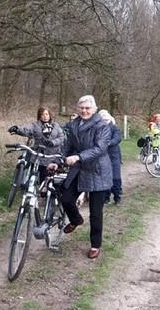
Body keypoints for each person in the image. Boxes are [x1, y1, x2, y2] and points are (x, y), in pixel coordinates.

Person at [48, 95, 112, 259]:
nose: (84, 111)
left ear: (94, 109)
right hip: (79, 170)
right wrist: (57, 161)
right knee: (66, 197)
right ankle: (76, 219)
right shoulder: (74, 124)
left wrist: (78, 157)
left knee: (95, 212)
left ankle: (95, 245)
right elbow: (67, 146)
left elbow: (100, 149)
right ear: (78, 109)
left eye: (87, 108)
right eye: (81, 108)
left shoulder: (102, 126)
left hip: (98, 171)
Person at [8, 106, 64, 183]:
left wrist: (53, 142)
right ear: (39, 116)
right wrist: (17, 129)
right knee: (35, 178)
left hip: (52, 156)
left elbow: (61, 137)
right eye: (42, 114)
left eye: (47, 114)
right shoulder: (35, 125)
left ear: (50, 115)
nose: (45, 117)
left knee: (49, 180)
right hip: (39, 155)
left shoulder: (56, 126)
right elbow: (26, 130)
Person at [99, 109, 122, 205]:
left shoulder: (114, 128)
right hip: (102, 156)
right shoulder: (98, 128)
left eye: (105, 118)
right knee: (104, 177)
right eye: (102, 118)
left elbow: (117, 138)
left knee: (115, 177)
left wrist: (108, 143)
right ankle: (105, 198)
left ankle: (117, 197)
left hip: (113, 156)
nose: (104, 120)